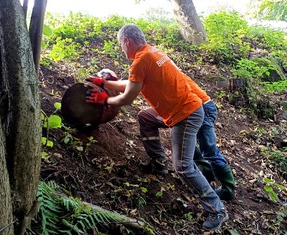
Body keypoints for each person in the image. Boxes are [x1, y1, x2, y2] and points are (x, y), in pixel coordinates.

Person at [85, 23, 228, 231]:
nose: (122, 49)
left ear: (127, 41)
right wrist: (105, 84)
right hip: (180, 109)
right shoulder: (152, 53)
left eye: (120, 45)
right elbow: (132, 83)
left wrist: (104, 100)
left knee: (183, 167)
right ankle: (159, 162)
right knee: (146, 117)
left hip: (186, 114)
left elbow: (127, 98)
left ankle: (217, 210)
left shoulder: (141, 60)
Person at [137, 77, 236, 201]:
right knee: (186, 139)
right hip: (184, 109)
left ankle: (228, 189)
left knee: (209, 150)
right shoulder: (157, 72)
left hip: (201, 107)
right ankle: (205, 173)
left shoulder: (164, 74)